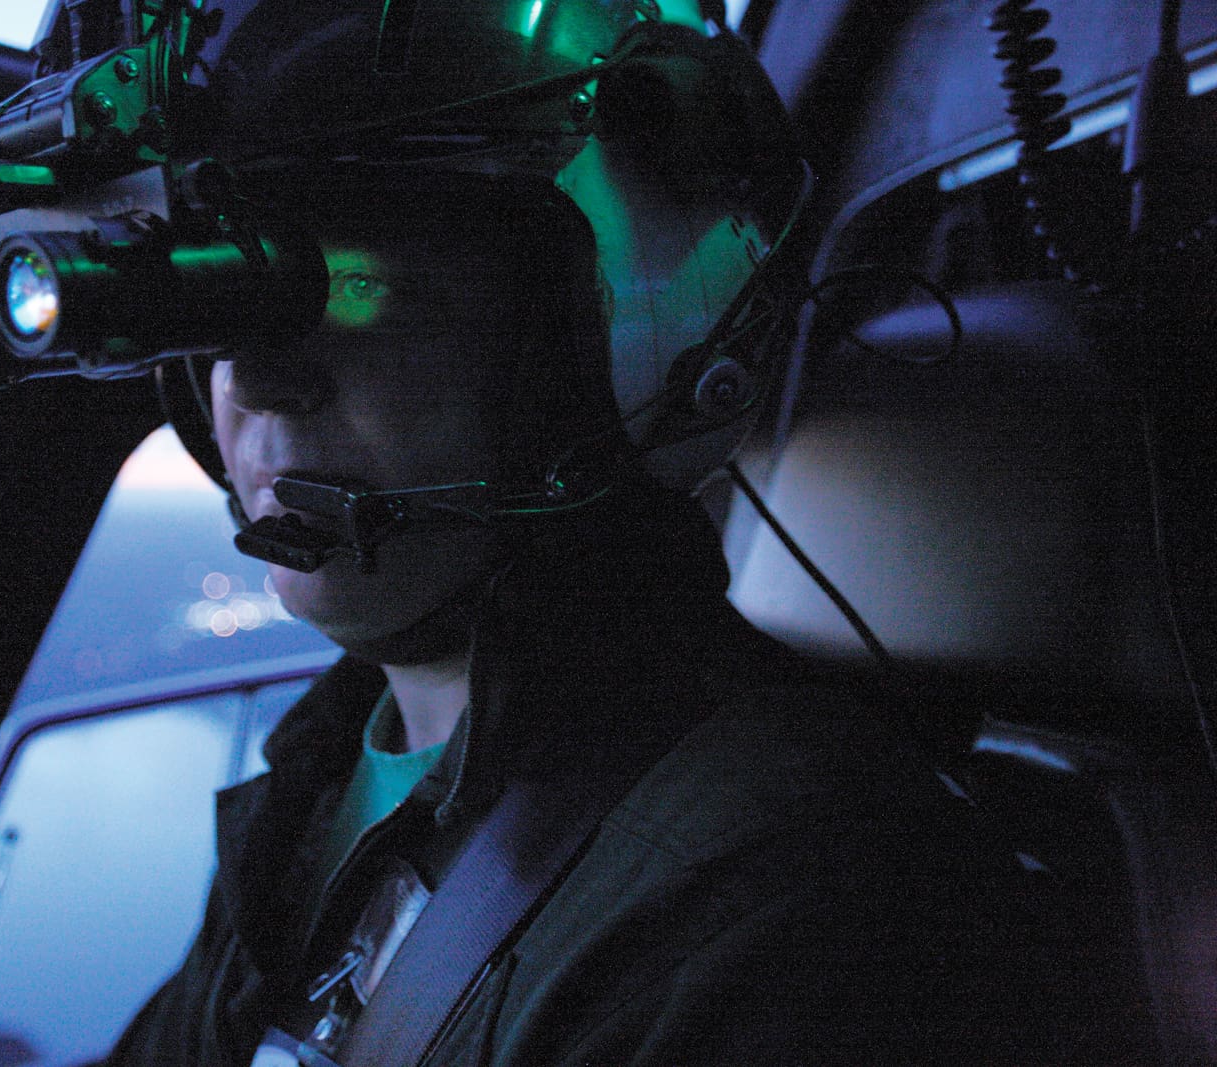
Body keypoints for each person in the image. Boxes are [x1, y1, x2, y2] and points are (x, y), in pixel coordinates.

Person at [109, 1, 1074, 1062]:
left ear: (627, 356)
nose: (254, 381)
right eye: (228, 308)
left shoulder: (795, 903)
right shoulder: (319, 775)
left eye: (357, 287)